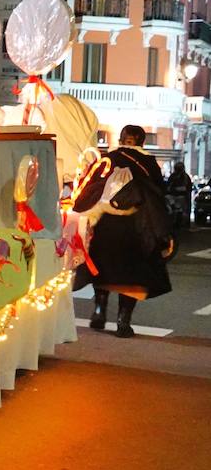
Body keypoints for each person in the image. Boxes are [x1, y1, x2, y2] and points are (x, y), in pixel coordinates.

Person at [73, 124, 173, 338]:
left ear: (121, 139)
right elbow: (157, 195)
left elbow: (89, 186)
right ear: (142, 141)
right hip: (135, 226)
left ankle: (99, 310)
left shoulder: (107, 159)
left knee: (101, 268)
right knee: (132, 276)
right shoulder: (148, 164)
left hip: (106, 223)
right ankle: (123, 321)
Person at [167, 162, 193, 232]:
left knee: (182, 211)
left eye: (179, 168)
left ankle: (181, 223)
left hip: (182, 198)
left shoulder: (185, 177)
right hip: (173, 197)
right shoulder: (173, 176)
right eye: (177, 168)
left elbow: (188, 188)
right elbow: (168, 187)